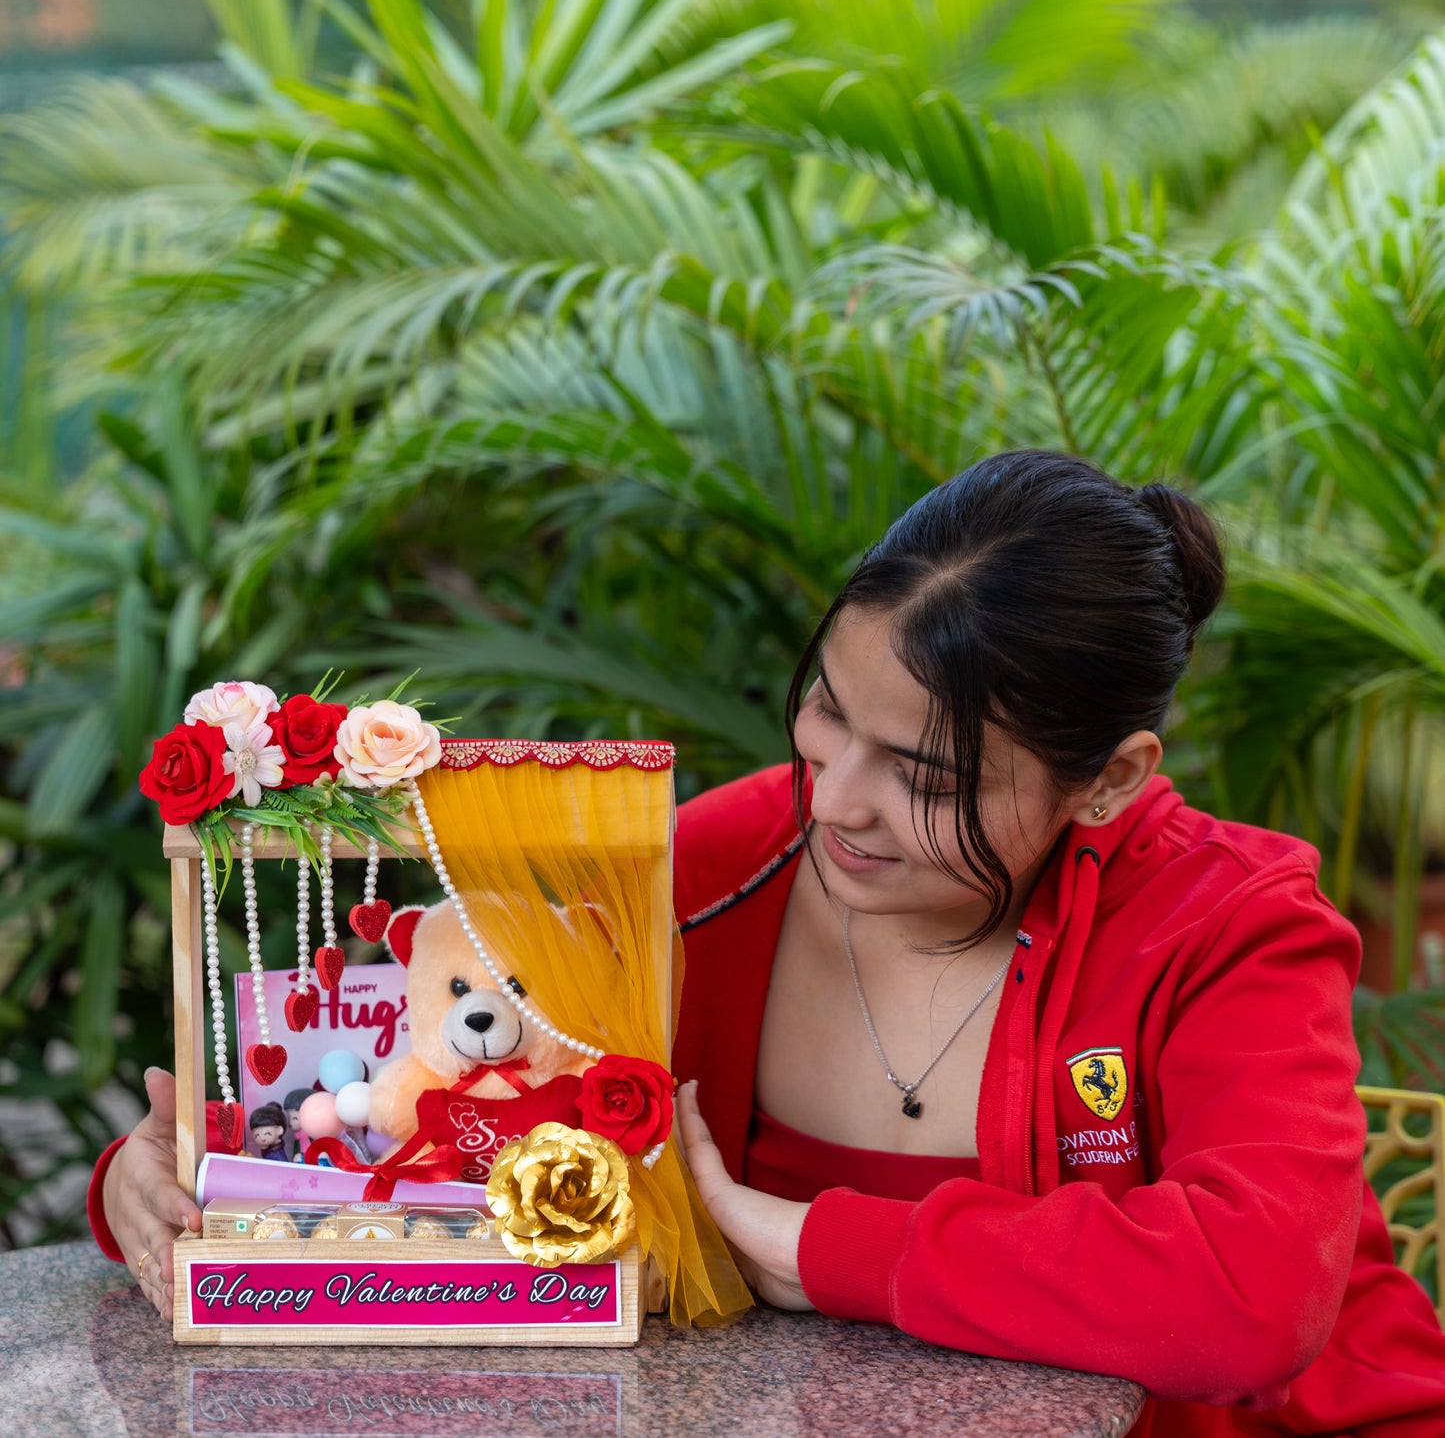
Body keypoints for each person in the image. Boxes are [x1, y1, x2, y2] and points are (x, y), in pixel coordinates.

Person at [89, 452, 1445, 1436]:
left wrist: (812, 1246)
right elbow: (413, 1078)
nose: (839, 795)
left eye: (926, 773)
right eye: (828, 712)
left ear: (1107, 780)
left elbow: (1246, 1298)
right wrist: (150, 1185)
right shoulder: (702, 877)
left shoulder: (1223, 921)